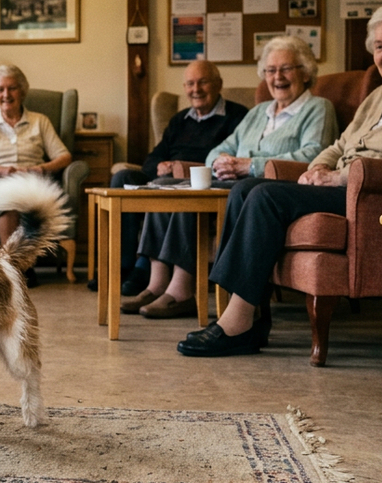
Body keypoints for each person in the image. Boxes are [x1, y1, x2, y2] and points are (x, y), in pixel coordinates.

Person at [179, 0, 382, 357]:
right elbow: (339, 144)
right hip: (347, 185)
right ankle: (248, 316)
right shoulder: (380, 94)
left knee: (266, 197)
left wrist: (340, 177)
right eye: (380, 47)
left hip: (375, 194)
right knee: (244, 189)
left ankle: (237, 323)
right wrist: (317, 169)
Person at [124, 36, 338, 318]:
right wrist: (222, 162)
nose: (277, 77)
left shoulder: (317, 108)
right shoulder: (259, 111)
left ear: (306, 72)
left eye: (286, 69)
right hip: (232, 181)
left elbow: (313, 155)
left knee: (192, 197)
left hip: (269, 187)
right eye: (271, 71)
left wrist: (249, 165)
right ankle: (156, 282)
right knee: (165, 186)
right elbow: (219, 149)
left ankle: (181, 290)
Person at [92, 60, 248, 293]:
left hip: (203, 181)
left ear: (218, 84)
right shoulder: (179, 120)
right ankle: (123, 265)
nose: (196, 89)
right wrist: (161, 166)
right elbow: (153, 157)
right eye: (190, 84)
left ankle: (144, 268)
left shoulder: (238, 116)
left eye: (203, 82)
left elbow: (230, 159)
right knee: (123, 177)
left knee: (162, 186)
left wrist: (181, 168)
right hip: (167, 178)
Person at [0, 64, 74, 286]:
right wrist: (1, 170)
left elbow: (64, 156)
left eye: (12, 88)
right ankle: (16, 269)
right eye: (0, 89)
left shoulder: (40, 121)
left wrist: (41, 169)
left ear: (22, 91)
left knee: (27, 199)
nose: (6, 95)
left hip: (32, 181)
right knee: (9, 201)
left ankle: (15, 270)